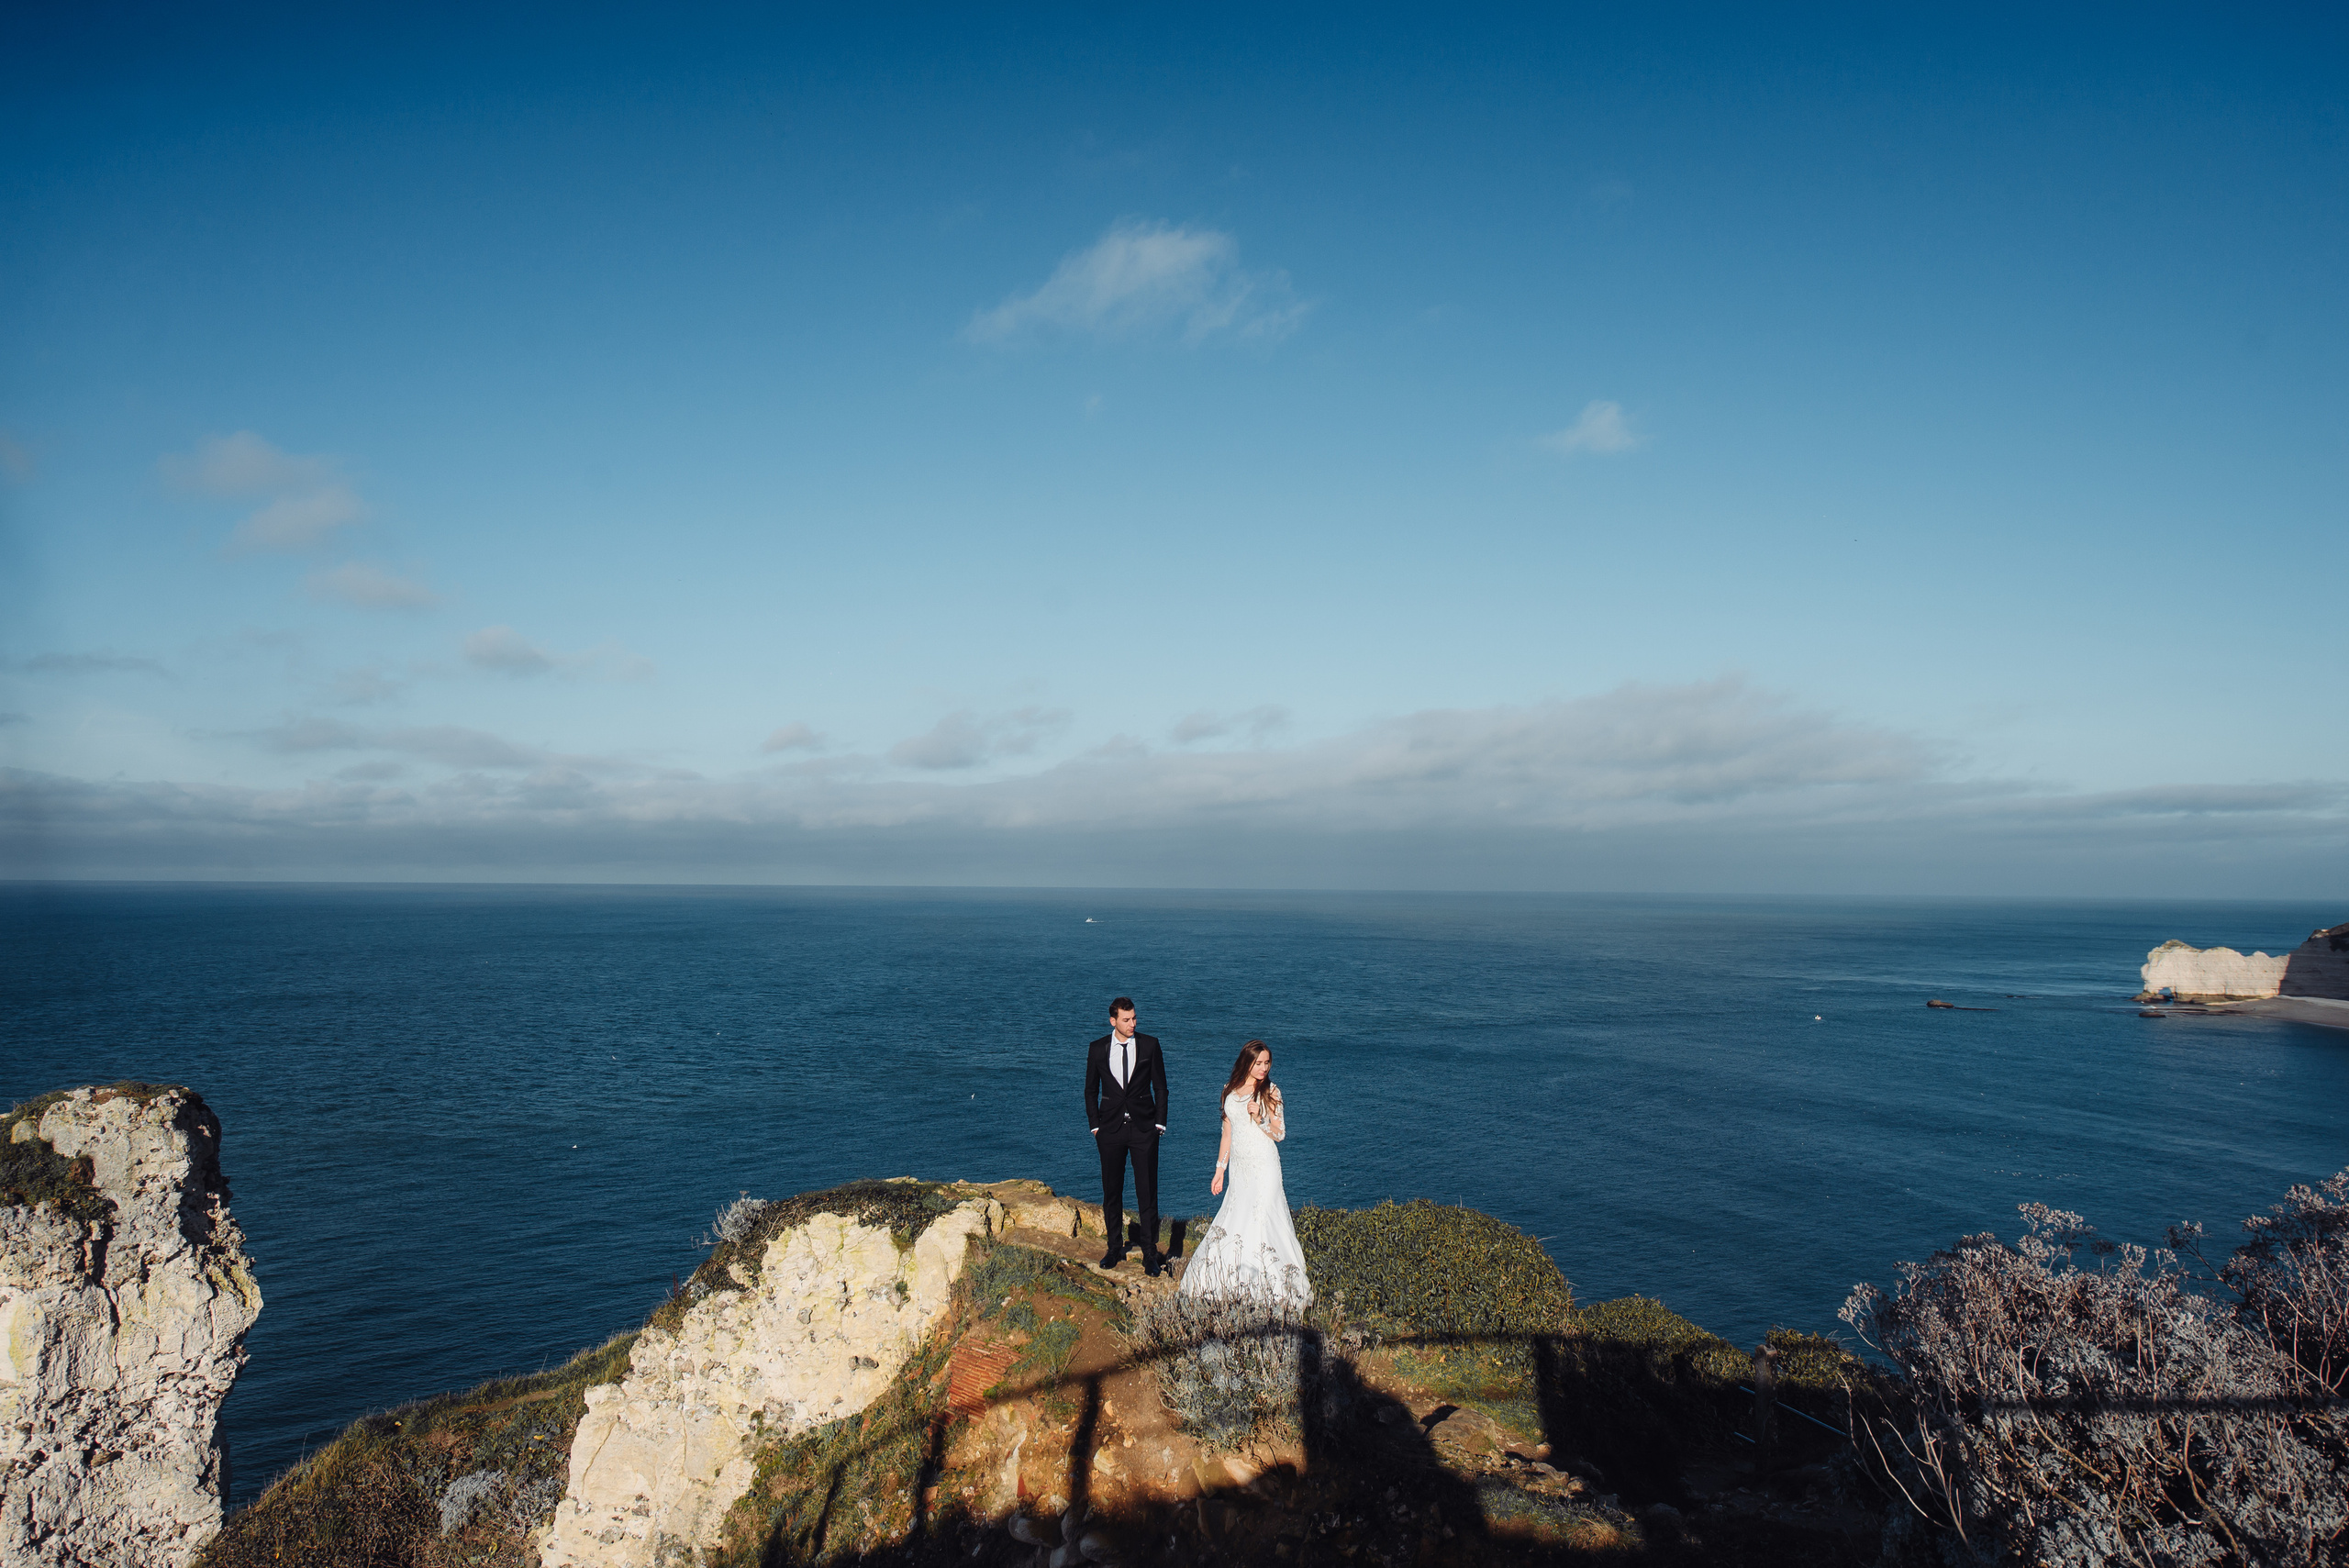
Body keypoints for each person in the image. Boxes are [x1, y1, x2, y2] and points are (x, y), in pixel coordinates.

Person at [1179, 1040, 1312, 1307]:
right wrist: (1220, 1170)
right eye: (1258, 1063)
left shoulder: (1271, 1091)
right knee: (1236, 1215)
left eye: (1267, 1063)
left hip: (1265, 1166)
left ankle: (1270, 1287)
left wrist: (1260, 1119)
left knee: (1262, 1219)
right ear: (1246, 1062)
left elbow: (1280, 1134)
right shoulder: (1229, 1090)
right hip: (1240, 1169)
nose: (1263, 1068)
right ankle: (1229, 1280)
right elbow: (1227, 1133)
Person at [1085, 996, 1168, 1276]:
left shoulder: (1150, 1045)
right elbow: (1090, 1091)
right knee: (1112, 1191)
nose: (1132, 1024)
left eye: (1134, 1018)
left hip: (1144, 1130)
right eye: (1126, 1019)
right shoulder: (1097, 1049)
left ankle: (1149, 1253)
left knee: (1147, 1192)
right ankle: (1113, 1248)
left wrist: (1159, 1125)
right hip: (1110, 1130)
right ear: (1113, 1021)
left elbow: (1161, 1087)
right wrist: (1095, 1127)